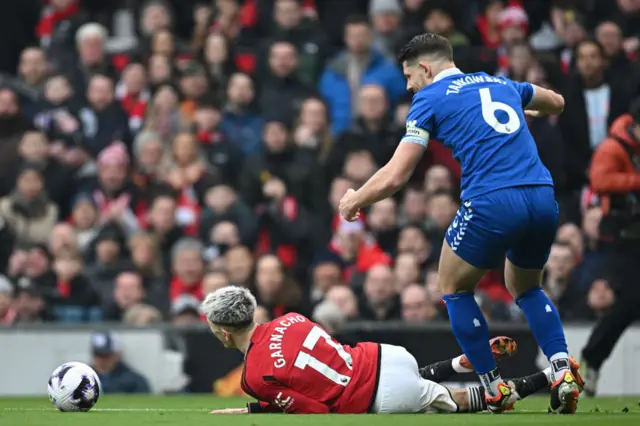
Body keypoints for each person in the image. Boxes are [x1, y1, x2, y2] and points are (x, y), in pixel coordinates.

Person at [337, 33, 577, 414]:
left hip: (492, 200)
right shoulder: (501, 82)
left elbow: (398, 175)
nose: (408, 85)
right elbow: (558, 102)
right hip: (542, 196)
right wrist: (529, 110)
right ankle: (563, 369)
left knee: (452, 286)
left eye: (409, 75)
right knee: (527, 287)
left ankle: (493, 387)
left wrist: (356, 199)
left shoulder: (428, 99)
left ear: (427, 68)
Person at [202, 286, 584, 415]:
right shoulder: (293, 317)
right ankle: (456, 362)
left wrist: (259, 408)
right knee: (386, 374)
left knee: (483, 400)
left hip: (378, 395)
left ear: (222, 333)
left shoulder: (253, 376)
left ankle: (553, 375)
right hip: (386, 355)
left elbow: (316, 411)